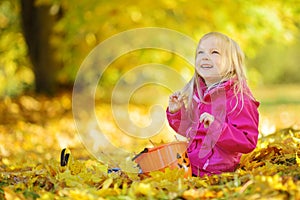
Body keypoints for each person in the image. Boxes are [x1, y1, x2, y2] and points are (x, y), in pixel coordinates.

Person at [166, 32, 260, 177]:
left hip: (214, 169)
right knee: (153, 158)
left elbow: (247, 142)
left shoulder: (239, 98)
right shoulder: (199, 94)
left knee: (157, 168)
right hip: (191, 161)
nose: (204, 56)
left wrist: (216, 128)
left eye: (214, 52)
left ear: (232, 64)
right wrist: (176, 113)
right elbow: (189, 130)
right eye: (200, 52)